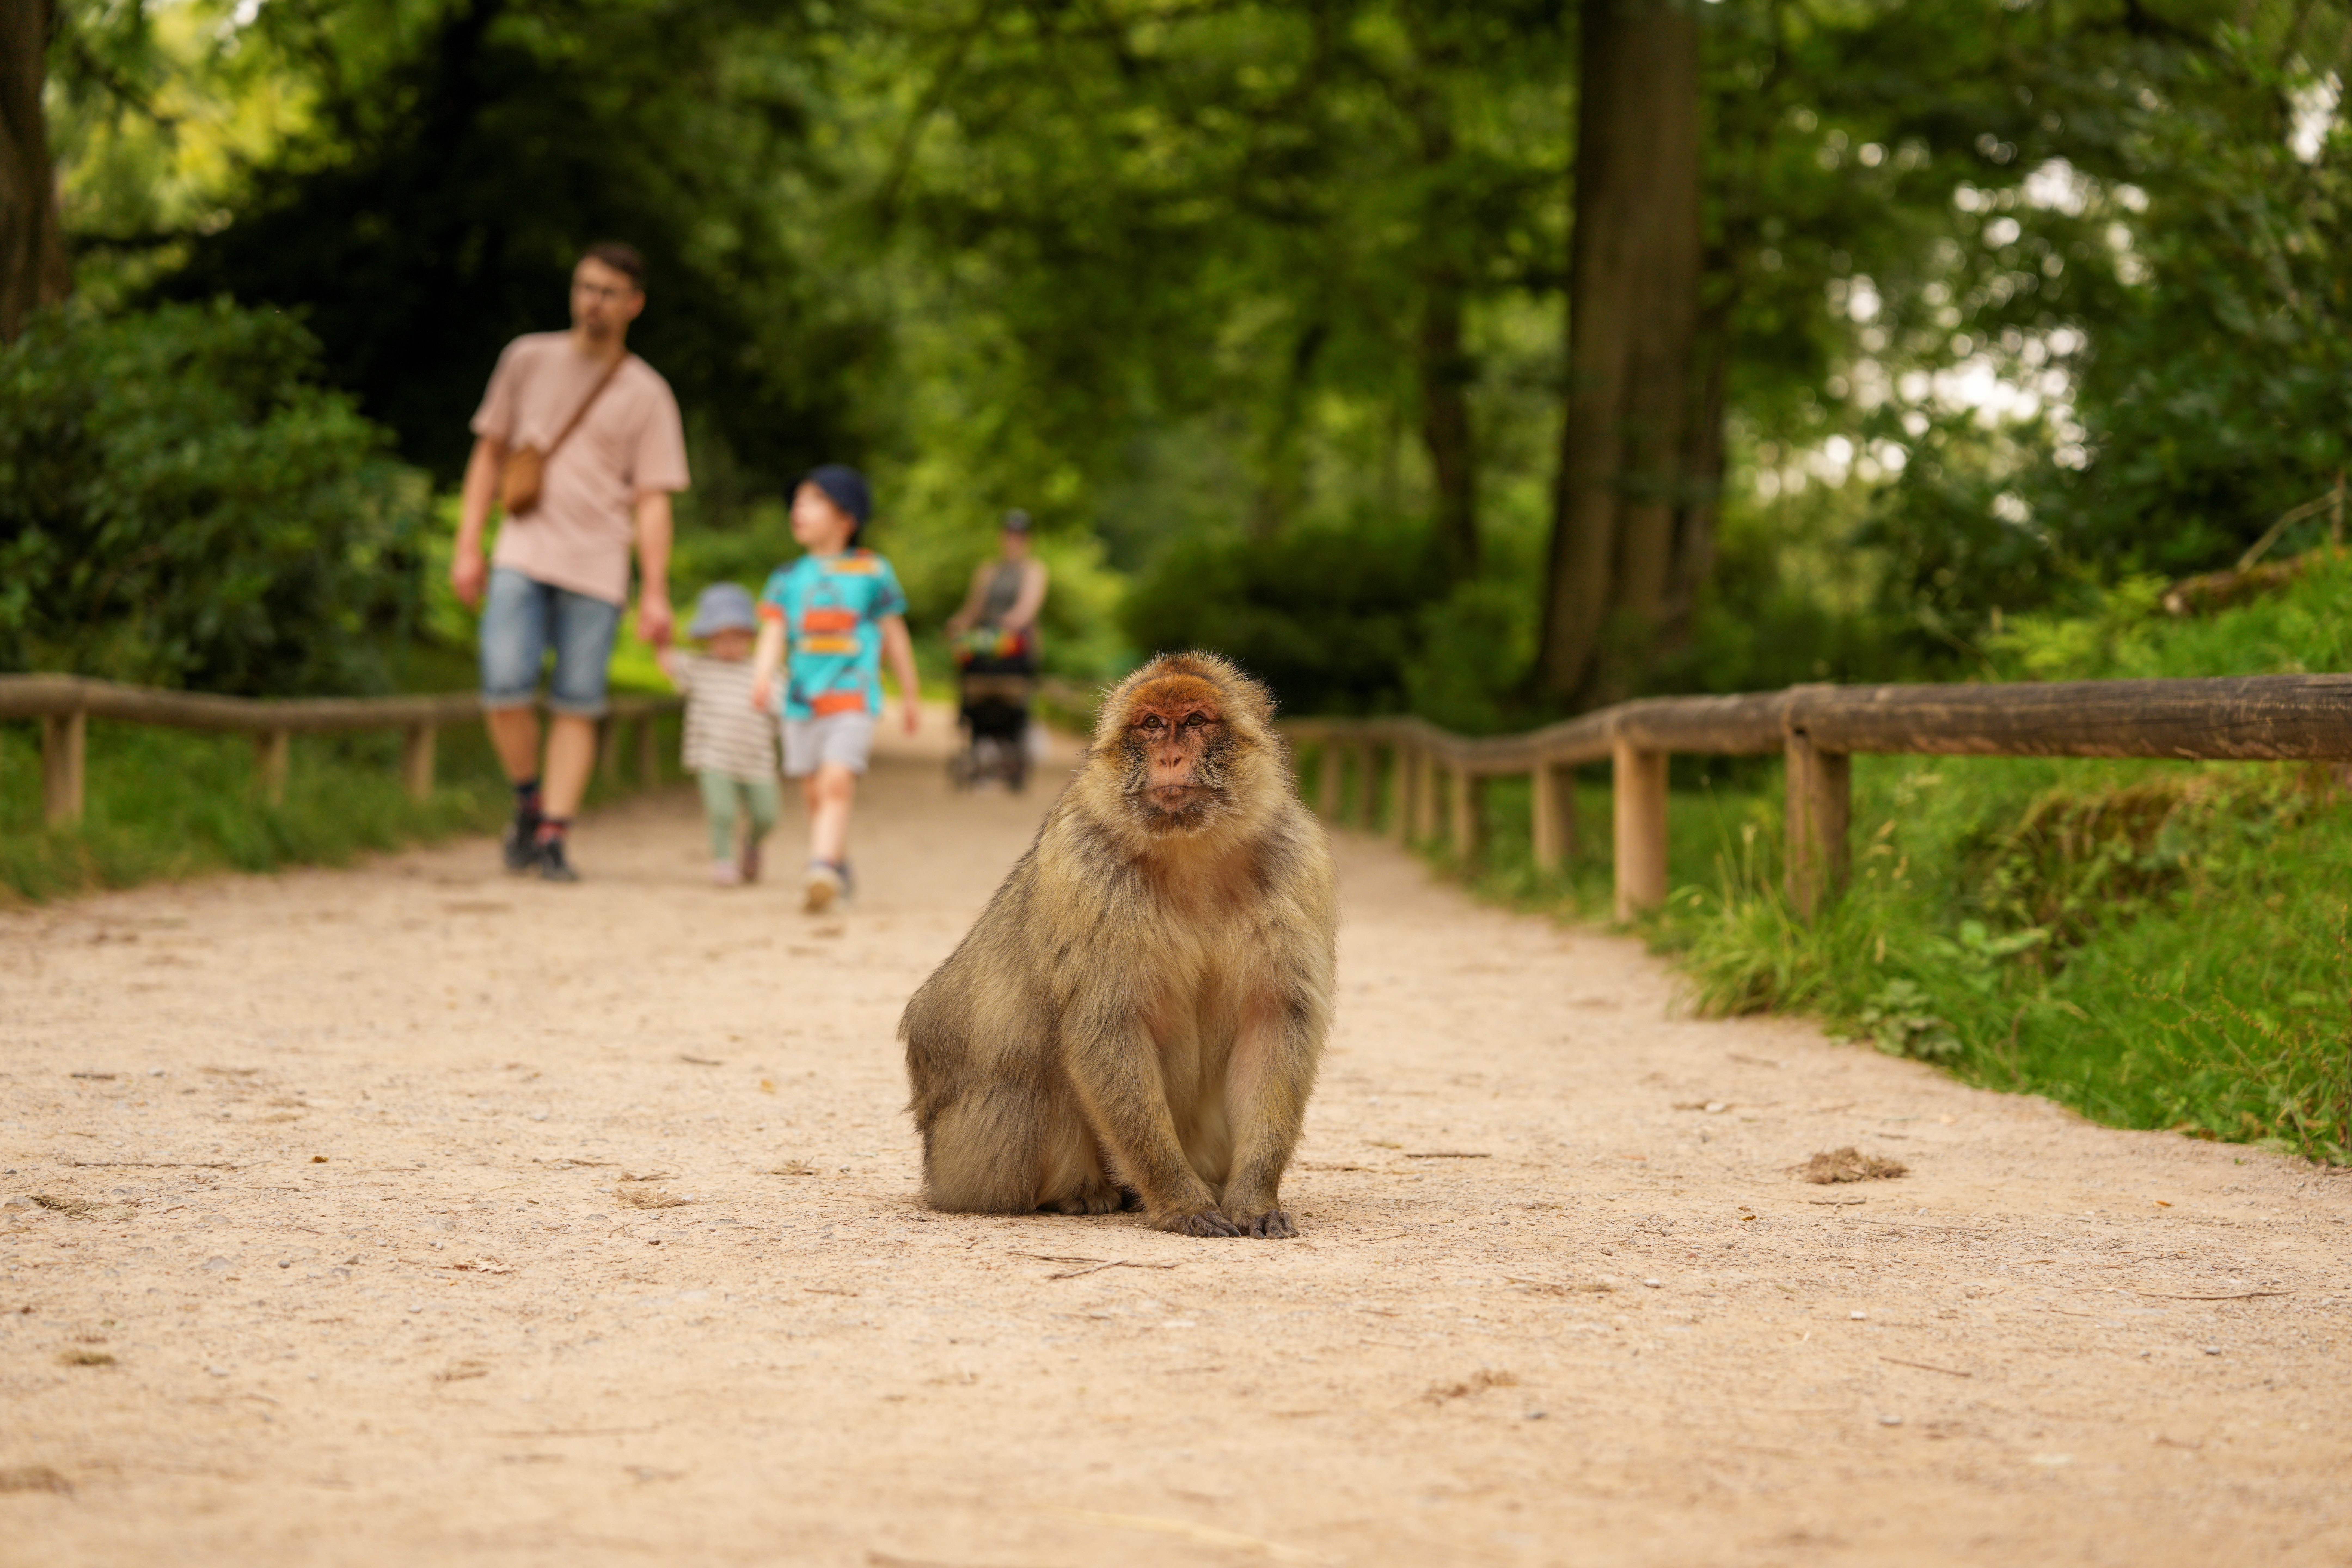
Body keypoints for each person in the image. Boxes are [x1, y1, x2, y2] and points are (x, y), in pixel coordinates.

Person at [450, 241, 690, 883]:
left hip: (599, 564)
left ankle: (555, 832)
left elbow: (653, 502)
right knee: (504, 684)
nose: (593, 301)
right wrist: (469, 543)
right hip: (522, 551)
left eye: (609, 292)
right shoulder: (526, 358)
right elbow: (488, 455)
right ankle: (528, 800)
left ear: (634, 304)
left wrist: (656, 591)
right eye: (585, 286)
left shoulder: (648, 394)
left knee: (578, 702)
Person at [750, 465, 922, 914]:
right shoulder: (787, 577)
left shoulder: (872, 571)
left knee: (837, 782)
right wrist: (762, 675)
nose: (797, 510)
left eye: (811, 501)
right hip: (802, 702)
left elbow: (895, 635)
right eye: (796, 502)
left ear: (846, 518)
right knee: (813, 792)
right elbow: (773, 630)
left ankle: (821, 864)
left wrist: (910, 694)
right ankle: (837, 865)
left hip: (853, 697)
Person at [657, 583, 781, 887]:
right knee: (722, 811)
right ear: (707, 638)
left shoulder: (767, 673)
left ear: (751, 637)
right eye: (721, 638)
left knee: (767, 816)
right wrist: (660, 632)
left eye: (737, 637)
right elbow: (667, 661)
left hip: (757, 759)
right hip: (714, 755)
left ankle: (752, 845)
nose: (729, 645)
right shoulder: (699, 668)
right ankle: (724, 861)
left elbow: (786, 710)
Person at [943, 508, 1049, 672]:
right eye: (1009, 534)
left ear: (1028, 539)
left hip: (1016, 642)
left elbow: (1027, 609)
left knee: (1011, 643)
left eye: (1019, 536)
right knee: (966, 648)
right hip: (989, 637)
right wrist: (958, 625)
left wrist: (1002, 628)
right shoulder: (988, 570)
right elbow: (974, 608)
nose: (1013, 540)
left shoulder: (1034, 570)